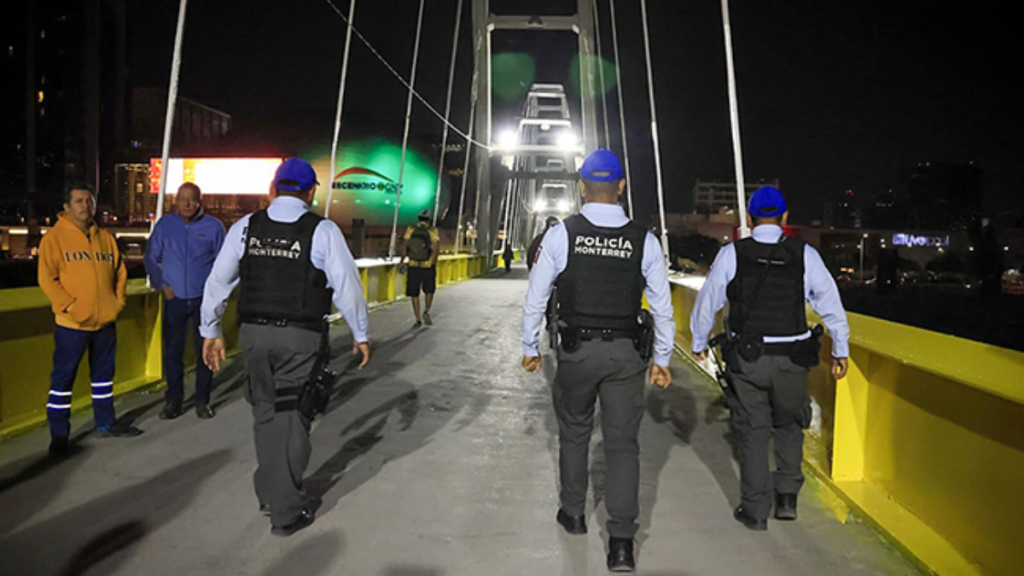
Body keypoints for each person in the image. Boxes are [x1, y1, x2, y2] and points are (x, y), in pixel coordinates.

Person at [521, 149, 675, 573]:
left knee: (573, 432)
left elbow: (536, 295)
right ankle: (621, 544)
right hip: (627, 353)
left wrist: (530, 347)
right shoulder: (644, 239)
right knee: (623, 445)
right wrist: (662, 355)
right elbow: (662, 306)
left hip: (576, 351)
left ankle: (573, 514)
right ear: (622, 186)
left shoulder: (563, 234)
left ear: (582, 187)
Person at [200, 158, 371, 537]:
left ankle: (269, 494)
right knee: (292, 418)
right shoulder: (322, 231)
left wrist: (210, 330)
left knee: (265, 414)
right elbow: (348, 287)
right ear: (311, 193)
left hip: (253, 337)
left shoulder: (246, 227)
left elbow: (218, 282)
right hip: (299, 338)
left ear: (273, 189)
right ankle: (286, 511)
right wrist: (360, 334)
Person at [690, 185, 850, 531]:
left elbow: (709, 301)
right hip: (792, 358)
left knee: (752, 431)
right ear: (785, 218)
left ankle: (755, 510)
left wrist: (700, 341)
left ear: (749, 219)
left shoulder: (733, 253)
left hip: (748, 359)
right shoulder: (804, 254)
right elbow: (831, 305)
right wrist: (841, 349)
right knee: (790, 424)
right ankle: (788, 498)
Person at [37, 183, 143, 456]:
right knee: (63, 382)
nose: (86, 206)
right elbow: (47, 278)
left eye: (90, 201)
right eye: (79, 201)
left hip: (105, 323)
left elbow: (120, 272)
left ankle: (106, 423)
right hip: (72, 325)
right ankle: (59, 436)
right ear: (67, 207)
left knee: (103, 379)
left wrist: (116, 303)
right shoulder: (54, 238)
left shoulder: (105, 238)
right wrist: (69, 306)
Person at [145, 182, 226, 420]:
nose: (187, 203)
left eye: (192, 199)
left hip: (204, 301)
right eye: (182, 199)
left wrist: (216, 295)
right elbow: (151, 257)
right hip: (175, 299)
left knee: (206, 353)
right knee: (173, 353)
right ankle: (174, 401)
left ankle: (203, 401)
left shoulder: (214, 227)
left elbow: (223, 263)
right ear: (176, 201)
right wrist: (163, 285)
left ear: (200, 201)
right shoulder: (165, 226)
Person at [401, 209, 440, 327]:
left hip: (413, 265)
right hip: (427, 266)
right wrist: (433, 262)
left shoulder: (411, 229)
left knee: (414, 293)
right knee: (429, 290)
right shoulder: (432, 230)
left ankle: (417, 318)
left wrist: (402, 261)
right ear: (429, 219)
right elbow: (436, 248)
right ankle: (426, 311)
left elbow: (405, 246)